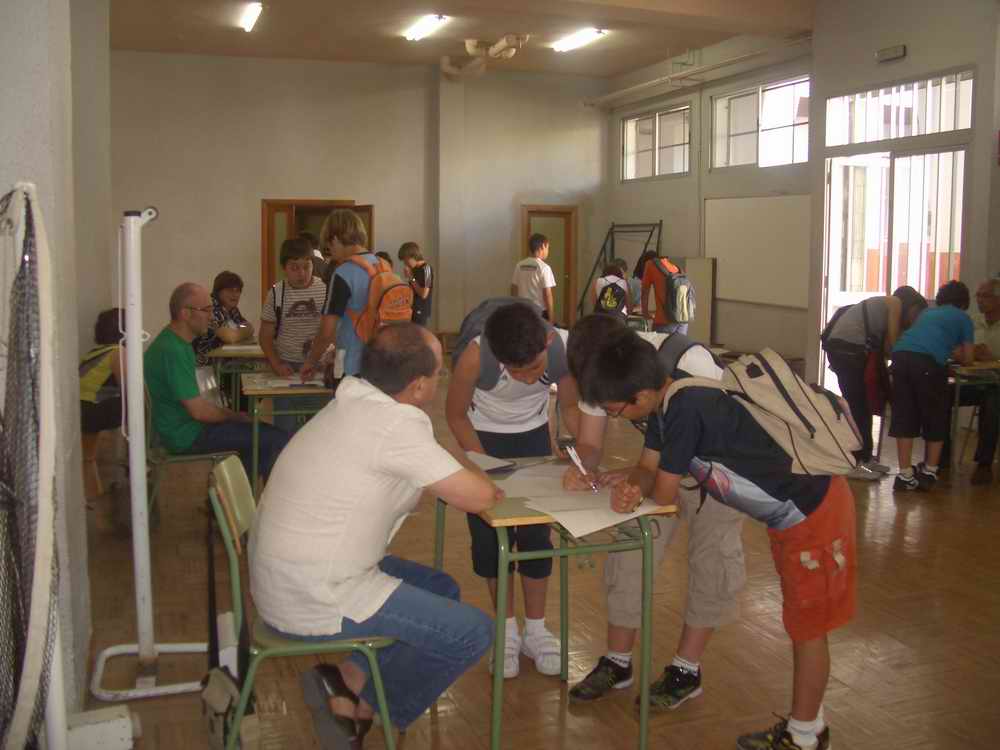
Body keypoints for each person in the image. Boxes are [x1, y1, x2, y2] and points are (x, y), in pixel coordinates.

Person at [578, 329, 856, 750]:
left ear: (641, 395)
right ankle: (806, 728)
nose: (616, 419)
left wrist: (640, 491)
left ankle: (806, 736)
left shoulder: (686, 409)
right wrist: (634, 484)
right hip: (792, 518)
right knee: (802, 623)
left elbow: (665, 496)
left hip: (815, 514)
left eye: (617, 411)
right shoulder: (667, 403)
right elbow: (648, 468)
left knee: (808, 629)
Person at [249, 324, 498, 746]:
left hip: (287, 574)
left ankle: (347, 679)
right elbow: (479, 498)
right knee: (473, 632)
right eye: (438, 372)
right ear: (419, 386)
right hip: (313, 591)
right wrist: (488, 485)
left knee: (441, 588)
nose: (440, 379)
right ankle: (369, 709)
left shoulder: (354, 400)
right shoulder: (393, 426)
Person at [561, 316, 745, 711]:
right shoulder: (607, 376)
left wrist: (643, 484)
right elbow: (612, 449)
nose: (605, 408)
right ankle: (617, 661)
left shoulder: (687, 369)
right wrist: (586, 469)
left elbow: (674, 468)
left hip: (723, 469)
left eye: (612, 407)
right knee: (630, 549)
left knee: (710, 559)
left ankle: (685, 670)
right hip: (666, 465)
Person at [445, 301, 582, 679]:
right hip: (482, 439)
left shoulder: (560, 348)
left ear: (547, 343)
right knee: (492, 538)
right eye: (515, 371)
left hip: (533, 437)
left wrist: (578, 448)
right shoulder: (476, 356)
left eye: (534, 370)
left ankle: (536, 630)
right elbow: (455, 415)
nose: (524, 379)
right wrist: (483, 465)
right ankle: (506, 630)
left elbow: (570, 407)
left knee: (536, 535)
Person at [145, 283, 289, 480]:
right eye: (206, 310)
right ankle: (240, 495)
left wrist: (235, 417)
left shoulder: (173, 341)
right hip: (185, 436)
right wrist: (235, 416)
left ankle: (234, 494)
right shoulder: (173, 350)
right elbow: (199, 412)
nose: (211, 316)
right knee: (277, 439)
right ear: (185, 313)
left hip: (185, 428)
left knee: (262, 436)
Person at [821, 286, 927, 479]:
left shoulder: (885, 310)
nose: (916, 318)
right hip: (846, 349)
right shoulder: (894, 302)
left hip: (847, 350)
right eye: (917, 311)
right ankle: (855, 463)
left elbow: (887, 349)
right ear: (909, 302)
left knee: (863, 406)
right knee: (857, 407)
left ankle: (866, 459)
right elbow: (893, 345)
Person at [890, 280, 975, 491]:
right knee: (935, 415)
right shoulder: (963, 318)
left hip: (900, 358)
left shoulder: (927, 313)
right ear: (964, 302)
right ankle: (929, 471)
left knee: (905, 415)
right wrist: (955, 353)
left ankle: (905, 475)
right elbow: (968, 358)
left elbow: (922, 338)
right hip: (927, 364)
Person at [300, 209, 377, 383]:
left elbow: (327, 330)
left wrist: (311, 361)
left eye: (329, 247)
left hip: (352, 366)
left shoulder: (343, 273)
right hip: (381, 364)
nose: (330, 253)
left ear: (334, 239)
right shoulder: (382, 266)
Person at [260, 237, 328, 432]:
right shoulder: (276, 293)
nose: (302, 273)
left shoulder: (326, 290)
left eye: (306, 267)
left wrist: (319, 360)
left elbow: (331, 331)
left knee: (319, 429)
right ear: (284, 268)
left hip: (319, 367)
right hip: (287, 368)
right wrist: (276, 364)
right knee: (285, 429)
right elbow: (265, 336)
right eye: (294, 268)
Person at [80, 308, 128, 495]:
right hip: (92, 410)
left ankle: (94, 495)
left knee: (87, 459)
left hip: (83, 408)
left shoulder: (94, 352)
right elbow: (129, 389)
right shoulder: (118, 352)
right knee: (142, 407)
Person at [966, 278, 1000, 483]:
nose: (979, 300)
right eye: (978, 295)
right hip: (972, 380)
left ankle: (984, 464)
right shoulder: (972, 322)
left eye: (985, 296)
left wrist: (993, 359)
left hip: (996, 384)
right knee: (941, 394)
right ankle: (940, 460)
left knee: (992, 401)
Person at [191, 271, 255, 366]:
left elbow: (248, 326)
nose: (235, 294)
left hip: (223, 363)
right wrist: (240, 332)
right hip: (204, 366)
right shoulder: (211, 308)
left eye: (238, 291)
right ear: (218, 291)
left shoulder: (232, 309)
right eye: (230, 290)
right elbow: (230, 337)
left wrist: (240, 330)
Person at [511, 233, 556, 321]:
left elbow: (513, 288)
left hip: (522, 310)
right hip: (539, 313)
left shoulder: (519, 265)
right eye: (547, 248)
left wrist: (515, 308)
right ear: (543, 246)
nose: (548, 251)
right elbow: (548, 294)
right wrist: (551, 318)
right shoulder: (544, 268)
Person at [641, 253, 686, 334]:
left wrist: (645, 313)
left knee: (659, 342)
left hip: (664, 321)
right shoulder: (674, 266)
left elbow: (644, 292)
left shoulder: (650, 264)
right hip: (683, 319)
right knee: (678, 342)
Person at [398, 242, 433, 327]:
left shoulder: (427, 269)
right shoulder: (413, 269)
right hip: (411, 309)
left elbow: (424, 294)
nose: (405, 263)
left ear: (412, 256)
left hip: (420, 311)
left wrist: (411, 278)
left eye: (405, 260)